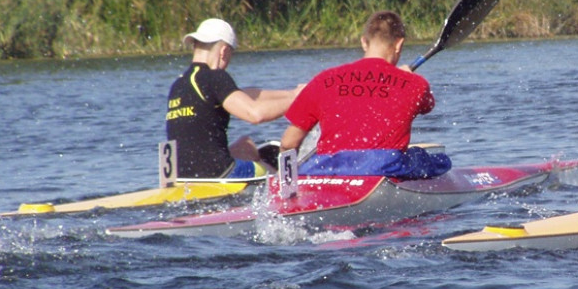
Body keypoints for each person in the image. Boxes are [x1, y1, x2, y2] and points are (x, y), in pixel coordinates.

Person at [280, 10, 451, 178]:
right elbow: (427, 105)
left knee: (306, 164)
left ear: (364, 42)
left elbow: (288, 143)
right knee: (438, 160)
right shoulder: (416, 84)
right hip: (385, 167)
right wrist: (405, 77)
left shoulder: (323, 80)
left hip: (326, 168)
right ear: (399, 44)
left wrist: (288, 182)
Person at [166, 18, 299, 179]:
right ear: (224, 51)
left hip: (182, 177)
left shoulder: (179, 85)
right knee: (272, 171)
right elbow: (256, 114)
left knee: (245, 146)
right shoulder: (214, 77)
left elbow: (241, 95)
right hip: (220, 174)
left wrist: (292, 94)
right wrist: (302, 99)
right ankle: (282, 188)